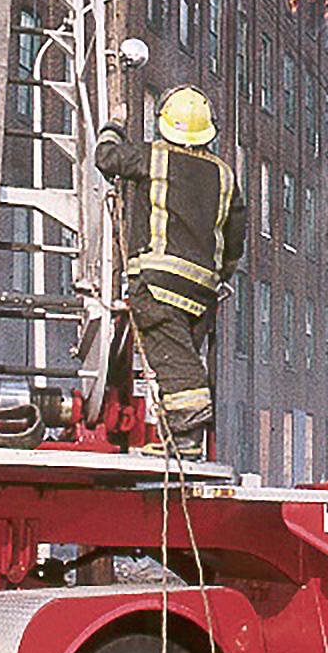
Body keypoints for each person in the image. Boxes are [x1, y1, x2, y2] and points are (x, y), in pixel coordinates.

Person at [95, 86, 246, 457]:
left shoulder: (154, 157)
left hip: (157, 285)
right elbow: (235, 239)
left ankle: (185, 442)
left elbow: (105, 157)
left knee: (176, 365)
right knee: (179, 360)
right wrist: (220, 276)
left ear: (164, 125)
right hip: (202, 294)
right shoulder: (225, 175)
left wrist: (114, 125)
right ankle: (179, 438)